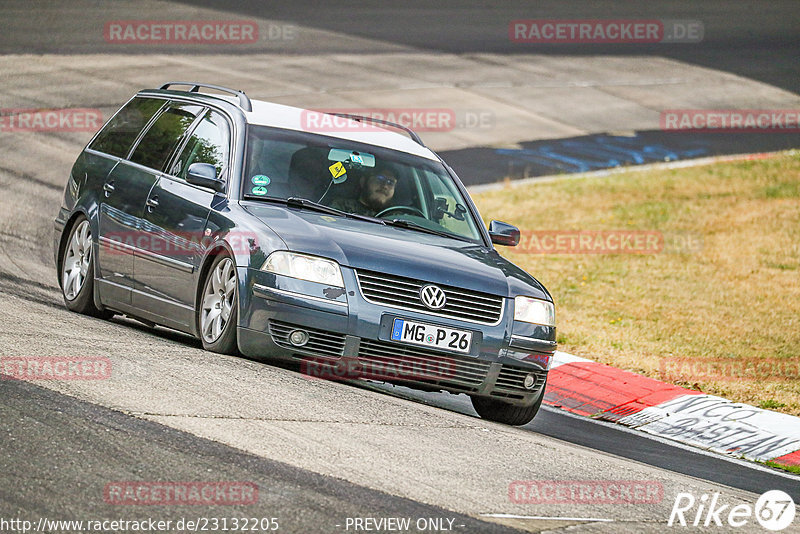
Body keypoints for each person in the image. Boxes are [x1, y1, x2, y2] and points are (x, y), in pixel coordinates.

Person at [331, 166, 398, 217]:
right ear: (363, 181)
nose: (385, 186)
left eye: (391, 183)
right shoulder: (342, 206)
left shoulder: (395, 217)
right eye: (380, 179)